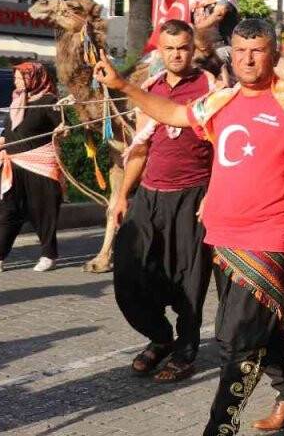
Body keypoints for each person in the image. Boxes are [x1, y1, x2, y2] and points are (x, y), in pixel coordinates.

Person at [94, 18, 284, 435]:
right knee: (261, 324)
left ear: (273, 54)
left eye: (256, 51)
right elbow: (174, 114)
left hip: (268, 236)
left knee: (236, 339)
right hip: (221, 235)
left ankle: (219, 428)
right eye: (239, 51)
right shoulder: (219, 101)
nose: (247, 59)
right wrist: (124, 86)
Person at [109, 20, 219, 382]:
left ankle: (186, 350)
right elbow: (140, 148)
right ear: (160, 50)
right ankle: (159, 337)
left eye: (183, 47)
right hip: (150, 197)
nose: (176, 54)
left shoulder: (211, 87)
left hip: (194, 197)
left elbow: (223, 148)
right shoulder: (150, 89)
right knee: (130, 271)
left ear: (193, 49)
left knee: (190, 279)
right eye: (170, 48)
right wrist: (122, 196)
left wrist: (216, 195)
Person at [0, 62, 62, 273]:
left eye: (21, 77)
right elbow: (8, 133)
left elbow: (62, 128)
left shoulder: (50, 102)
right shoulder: (16, 101)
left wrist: (63, 131)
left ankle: (49, 254)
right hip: (12, 163)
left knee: (42, 211)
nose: (16, 81)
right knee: (4, 207)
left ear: (36, 78)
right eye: (16, 77)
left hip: (39, 165)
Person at [190, 0, 240, 74]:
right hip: (199, 47)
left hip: (223, 46)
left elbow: (218, 14)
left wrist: (195, 29)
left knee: (205, 65)